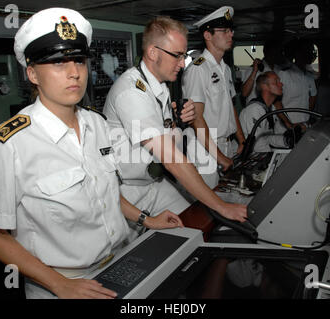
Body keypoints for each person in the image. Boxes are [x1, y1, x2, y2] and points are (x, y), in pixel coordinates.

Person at [0, 8, 183, 299]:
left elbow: (105, 191)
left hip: (119, 264)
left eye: (79, 60)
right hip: (61, 285)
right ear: (32, 73)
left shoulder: (95, 123)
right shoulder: (7, 145)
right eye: (58, 62)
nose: (74, 72)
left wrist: (146, 219)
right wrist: (59, 284)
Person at [103, 16, 248, 240]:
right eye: (178, 55)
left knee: (197, 229)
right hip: (127, 192)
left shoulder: (160, 86)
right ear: (153, 52)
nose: (183, 63)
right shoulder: (132, 92)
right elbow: (172, 159)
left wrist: (178, 124)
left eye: (184, 55)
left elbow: (167, 136)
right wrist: (222, 206)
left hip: (154, 183)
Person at [182, 6, 246, 175]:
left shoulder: (224, 69)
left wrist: (241, 139)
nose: (231, 34)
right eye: (224, 31)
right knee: (209, 200)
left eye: (231, 30)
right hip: (205, 149)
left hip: (226, 144)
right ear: (207, 35)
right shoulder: (198, 69)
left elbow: (230, 107)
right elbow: (196, 118)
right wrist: (220, 157)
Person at [239, 71, 293, 153]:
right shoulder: (254, 109)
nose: (281, 84)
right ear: (264, 86)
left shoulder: (271, 108)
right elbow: (257, 145)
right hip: (245, 156)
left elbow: (269, 137)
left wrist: (288, 140)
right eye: (276, 82)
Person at [273, 40, 318, 134]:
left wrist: (306, 118)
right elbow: (276, 102)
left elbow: (313, 97)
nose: (310, 54)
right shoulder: (284, 74)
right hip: (286, 129)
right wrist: (288, 123)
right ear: (298, 54)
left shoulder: (310, 77)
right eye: (308, 51)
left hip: (304, 127)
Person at [241, 38, 290, 104]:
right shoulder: (254, 69)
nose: (278, 54)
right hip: (256, 110)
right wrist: (254, 71)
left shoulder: (279, 70)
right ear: (266, 52)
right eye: (275, 51)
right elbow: (244, 93)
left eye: (280, 51)